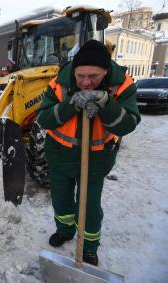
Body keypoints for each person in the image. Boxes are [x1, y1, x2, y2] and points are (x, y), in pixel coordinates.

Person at [37, 40, 141, 266]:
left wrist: (106, 103)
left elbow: (127, 125)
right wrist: (71, 105)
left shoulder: (121, 85)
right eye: (80, 75)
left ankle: (89, 246)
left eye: (93, 76)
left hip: (96, 158)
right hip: (60, 155)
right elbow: (43, 118)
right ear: (74, 70)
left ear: (106, 71)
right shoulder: (59, 83)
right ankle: (64, 231)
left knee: (90, 206)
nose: (85, 82)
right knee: (61, 201)